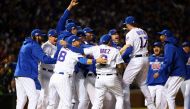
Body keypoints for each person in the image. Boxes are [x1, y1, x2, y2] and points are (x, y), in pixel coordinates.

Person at [48, 35, 107, 109]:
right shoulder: (74, 52)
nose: (79, 42)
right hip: (63, 78)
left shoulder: (63, 48)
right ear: (74, 43)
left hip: (54, 77)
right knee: (67, 105)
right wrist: (96, 60)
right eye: (78, 41)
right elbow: (84, 61)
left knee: (53, 104)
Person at [14, 29, 57, 109]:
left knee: (21, 99)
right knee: (33, 98)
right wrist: (57, 59)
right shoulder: (34, 45)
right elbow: (45, 59)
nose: (42, 38)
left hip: (19, 74)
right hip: (27, 74)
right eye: (41, 36)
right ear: (36, 36)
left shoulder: (25, 44)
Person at [120, 16, 156, 109]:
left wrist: (119, 56)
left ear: (128, 24)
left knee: (125, 83)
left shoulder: (130, 33)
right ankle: (151, 105)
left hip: (136, 59)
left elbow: (128, 48)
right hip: (145, 58)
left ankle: (127, 107)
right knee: (143, 83)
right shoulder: (143, 31)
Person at [155, 29, 187, 109]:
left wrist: (159, 72)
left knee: (170, 95)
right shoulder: (177, 45)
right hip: (176, 72)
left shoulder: (168, 45)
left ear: (165, 36)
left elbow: (168, 61)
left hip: (177, 73)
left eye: (162, 35)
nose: (160, 37)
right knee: (164, 91)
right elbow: (185, 57)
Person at [37, 29, 58, 109]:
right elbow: (44, 60)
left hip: (51, 73)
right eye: (54, 37)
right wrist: (54, 58)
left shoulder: (54, 46)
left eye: (56, 36)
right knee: (44, 94)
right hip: (44, 72)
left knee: (50, 95)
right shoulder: (46, 46)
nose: (56, 38)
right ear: (49, 37)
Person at [145, 42, 168, 108]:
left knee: (159, 103)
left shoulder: (165, 58)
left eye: (158, 47)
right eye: (154, 47)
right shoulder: (148, 58)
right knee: (149, 103)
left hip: (161, 84)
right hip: (150, 84)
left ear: (160, 48)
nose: (156, 48)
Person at [180, 41, 190, 109]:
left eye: (187, 46)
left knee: (187, 95)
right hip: (182, 79)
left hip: (189, 79)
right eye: (183, 47)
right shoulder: (180, 56)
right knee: (185, 96)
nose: (185, 48)